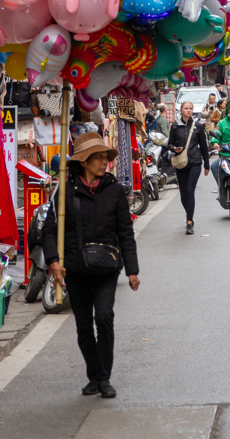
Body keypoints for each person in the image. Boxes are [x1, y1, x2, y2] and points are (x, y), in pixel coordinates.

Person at [43, 133, 139, 399]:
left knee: (104, 317)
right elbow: (50, 229)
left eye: (106, 157)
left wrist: (132, 270)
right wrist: (53, 261)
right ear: (83, 162)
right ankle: (93, 375)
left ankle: (105, 377)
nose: (104, 162)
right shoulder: (65, 190)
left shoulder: (115, 190)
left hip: (107, 268)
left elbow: (125, 232)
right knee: (84, 326)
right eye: (98, 157)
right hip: (76, 268)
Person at [168, 100, 210, 234]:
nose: (188, 110)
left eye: (190, 108)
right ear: (181, 110)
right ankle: (189, 214)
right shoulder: (175, 126)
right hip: (181, 162)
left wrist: (206, 165)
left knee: (190, 190)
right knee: (183, 194)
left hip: (195, 162)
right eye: (186, 108)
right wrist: (175, 149)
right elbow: (169, 144)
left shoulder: (198, 126)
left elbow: (204, 146)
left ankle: (189, 221)